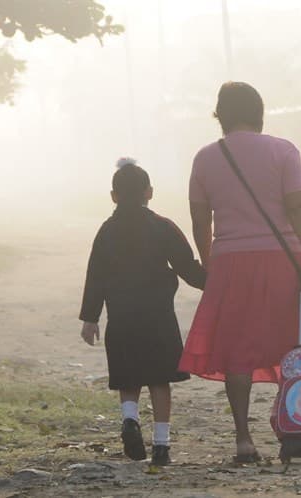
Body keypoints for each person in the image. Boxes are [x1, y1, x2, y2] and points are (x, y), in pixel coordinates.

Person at [177, 82, 301, 463]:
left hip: (231, 262)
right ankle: (298, 424)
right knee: (294, 342)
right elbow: (298, 208)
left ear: (220, 116)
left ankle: (244, 439)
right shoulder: (284, 150)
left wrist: (210, 263)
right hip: (282, 260)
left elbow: (201, 220)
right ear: (259, 112)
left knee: (236, 350)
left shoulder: (205, 158)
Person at [79, 159, 206, 466]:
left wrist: (90, 317)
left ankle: (130, 419)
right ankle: (161, 446)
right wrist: (215, 284)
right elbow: (187, 267)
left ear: (113, 196)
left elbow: (95, 275)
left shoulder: (106, 231)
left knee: (129, 377)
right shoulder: (163, 227)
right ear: (150, 192)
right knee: (160, 381)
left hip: (121, 317)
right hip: (158, 318)